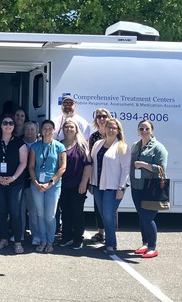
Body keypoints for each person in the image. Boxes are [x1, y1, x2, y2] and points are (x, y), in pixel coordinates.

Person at [0, 114, 28, 254]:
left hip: (15, 183)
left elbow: (23, 162)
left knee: (15, 212)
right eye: (5, 123)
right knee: (2, 211)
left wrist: (14, 177)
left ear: (14, 126)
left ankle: (17, 242)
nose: (8, 125)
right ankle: (3, 240)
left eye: (11, 123)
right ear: (1, 125)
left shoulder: (19, 143)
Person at [90, 118, 130, 256]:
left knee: (108, 214)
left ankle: (111, 245)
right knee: (104, 215)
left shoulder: (122, 147)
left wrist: (121, 188)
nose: (111, 130)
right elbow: (93, 164)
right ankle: (109, 242)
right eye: (109, 127)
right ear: (105, 129)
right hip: (98, 185)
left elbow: (125, 169)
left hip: (113, 187)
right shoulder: (97, 144)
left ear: (118, 130)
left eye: (114, 128)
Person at [130, 120, 168, 258]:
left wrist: (145, 165)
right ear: (138, 130)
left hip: (151, 188)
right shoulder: (135, 146)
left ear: (152, 130)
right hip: (136, 187)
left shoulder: (158, 148)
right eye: (141, 128)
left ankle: (152, 247)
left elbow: (162, 169)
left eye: (147, 128)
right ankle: (145, 243)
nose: (144, 131)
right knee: (141, 216)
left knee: (147, 217)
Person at [28, 119, 67, 253]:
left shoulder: (59, 147)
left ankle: (50, 241)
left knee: (49, 215)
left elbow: (62, 168)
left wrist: (50, 183)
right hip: (37, 184)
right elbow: (31, 167)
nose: (47, 131)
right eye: (44, 128)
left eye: (50, 128)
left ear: (54, 130)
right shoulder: (35, 146)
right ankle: (43, 240)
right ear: (41, 130)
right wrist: (36, 182)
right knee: (40, 214)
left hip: (53, 185)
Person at [59, 119, 92, 250]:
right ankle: (66, 236)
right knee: (65, 212)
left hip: (78, 185)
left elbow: (88, 165)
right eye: (66, 127)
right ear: (62, 130)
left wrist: (84, 183)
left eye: (71, 127)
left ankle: (78, 238)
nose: (69, 129)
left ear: (76, 129)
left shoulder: (82, 145)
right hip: (62, 185)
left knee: (77, 212)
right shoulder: (60, 144)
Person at [88, 108, 112, 244]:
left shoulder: (114, 135)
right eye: (99, 117)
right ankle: (100, 232)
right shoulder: (94, 137)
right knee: (98, 206)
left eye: (104, 116)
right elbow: (91, 158)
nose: (101, 119)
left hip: (111, 177)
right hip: (97, 176)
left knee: (110, 208)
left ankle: (111, 234)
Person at [21, 121, 40, 245]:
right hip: (19, 182)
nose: (29, 132)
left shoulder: (40, 145)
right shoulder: (18, 143)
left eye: (32, 129)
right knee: (19, 210)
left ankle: (36, 235)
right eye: (27, 129)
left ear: (37, 131)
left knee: (33, 211)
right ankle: (20, 233)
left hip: (34, 182)